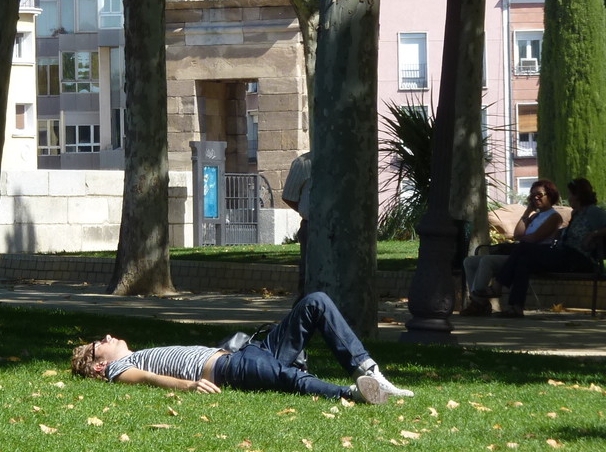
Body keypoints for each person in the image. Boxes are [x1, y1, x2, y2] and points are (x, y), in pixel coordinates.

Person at [71, 291, 413, 405]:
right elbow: (144, 378)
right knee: (288, 378)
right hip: (228, 369)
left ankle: (371, 374)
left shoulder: (131, 353)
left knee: (315, 302)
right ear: (99, 366)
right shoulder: (118, 371)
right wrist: (187, 385)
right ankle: (354, 393)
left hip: (248, 351)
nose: (106, 338)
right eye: (98, 345)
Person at [492, 177, 606, 318]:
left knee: (524, 247)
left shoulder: (593, 212)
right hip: (565, 255)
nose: (569, 198)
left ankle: (497, 285)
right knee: (523, 261)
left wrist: (593, 234)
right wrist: (562, 232)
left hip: (581, 259)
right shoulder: (576, 214)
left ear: (579, 195)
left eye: (571, 194)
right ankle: (515, 307)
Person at [460, 179, 563, 316]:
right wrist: (527, 212)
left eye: (539, 194)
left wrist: (522, 239)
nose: (535, 198)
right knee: (469, 261)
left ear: (550, 195)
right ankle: (480, 302)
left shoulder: (554, 217)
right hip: (518, 253)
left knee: (487, 261)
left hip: (532, 255)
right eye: (532, 195)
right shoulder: (535, 216)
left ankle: (478, 303)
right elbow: (517, 234)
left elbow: (533, 239)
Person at [282, 151, 311, 297]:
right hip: (312, 226)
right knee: (307, 273)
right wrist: (307, 210)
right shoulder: (304, 163)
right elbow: (288, 196)